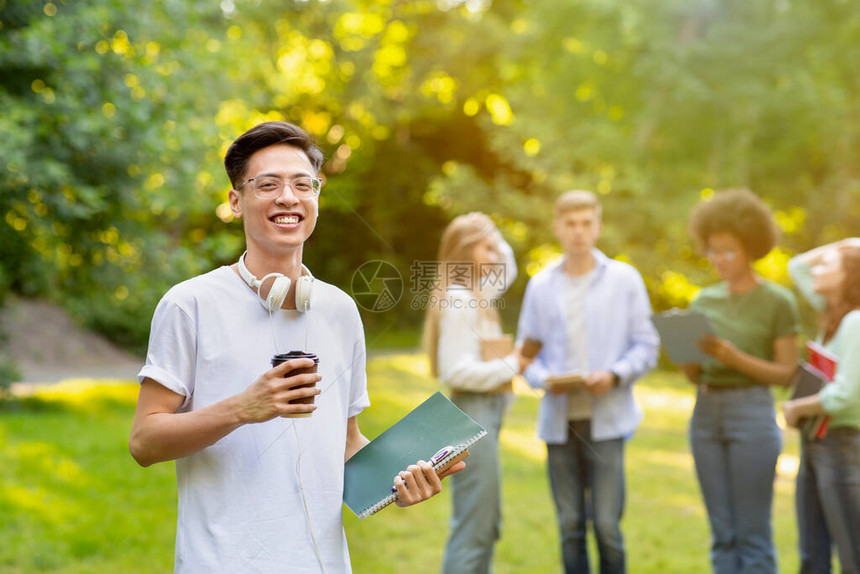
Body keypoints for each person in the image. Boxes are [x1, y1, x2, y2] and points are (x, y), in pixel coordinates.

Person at [129, 121, 462, 574]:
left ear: (317, 199)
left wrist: (400, 481)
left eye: (303, 184)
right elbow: (145, 441)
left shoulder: (340, 311)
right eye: (268, 184)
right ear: (235, 201)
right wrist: (244, 407)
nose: (288, 197)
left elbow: (344, 443)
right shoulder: (190, 305)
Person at [516, 190, 659, 574]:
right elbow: (525, 356)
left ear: (597, 226)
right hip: (559, 422)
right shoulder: (541, 285)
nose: (578, 232)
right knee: (570, 526)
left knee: (608, 527)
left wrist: (614, 375)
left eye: (586, 223)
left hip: (609, 419)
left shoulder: (624, 279)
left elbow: (647, 347)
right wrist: (546, 380)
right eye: (570, 224)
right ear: (557, 227)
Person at [682, 188, 800, 574]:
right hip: (705, 414)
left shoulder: (777, 301)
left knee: (752, 532)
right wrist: (685, 352)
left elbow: (787, 373)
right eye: (713, 251)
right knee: (723, 532)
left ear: (750, 247)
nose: (719, 260)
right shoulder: (703, 300)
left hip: (751, 412)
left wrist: (735, 358)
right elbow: (692, 373)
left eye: (728, 251)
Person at [423, 212, 531, 574]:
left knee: (487, 523)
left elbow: (509, 266)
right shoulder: (460, 299)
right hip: (474, 413)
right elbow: (455, 370)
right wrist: (514, 364)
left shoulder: (476, 292)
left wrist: (490, 228)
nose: (495, 253)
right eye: (486, 246)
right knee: (475, 526)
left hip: (488, 411)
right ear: (467, 252)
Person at [782, 238, 860, 573]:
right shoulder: (833, 313)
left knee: (851, 553)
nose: (817, 268)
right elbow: (796, 266)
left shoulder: (855, 322)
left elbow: (846, 394)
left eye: (828, 264)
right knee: (811, 553)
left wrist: (798, 408)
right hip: (816, 442)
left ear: (850, 276)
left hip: (842, 445)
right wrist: (846, 244)